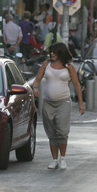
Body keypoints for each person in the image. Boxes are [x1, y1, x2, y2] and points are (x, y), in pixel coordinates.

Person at [32, 42, 85, 170]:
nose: (51, 54)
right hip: (48, 102)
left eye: (54, 52)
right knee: (51, 132)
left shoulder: (69, 67)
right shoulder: (46, 65)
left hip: (63, 102)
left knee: (62, 130)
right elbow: (37, 79)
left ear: (61, 53)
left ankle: (63, 159)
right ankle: (54, 159)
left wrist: (81, 103)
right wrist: (34, 88)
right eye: (51, 52)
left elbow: (77, 85)